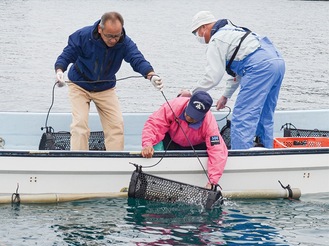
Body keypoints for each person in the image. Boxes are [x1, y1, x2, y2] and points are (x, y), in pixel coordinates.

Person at [54, 11, 163, 151]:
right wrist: (59, 71)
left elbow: (137, 59)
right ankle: (79, 162)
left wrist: (151, 75)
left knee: (116, 126)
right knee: (80, 125)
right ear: (100, 29)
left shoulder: (125, 42)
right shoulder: (82, 36)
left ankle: (115, 163)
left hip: (105, 87)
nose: (113, 40)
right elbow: (67, 54)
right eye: (109, 36)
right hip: (79, 85)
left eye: (117, 36)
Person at [180, 11, 285, 149]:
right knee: (266, 112)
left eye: (196, 33)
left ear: (203, 27)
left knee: (242, 116)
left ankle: (241, 156)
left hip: (259, 67)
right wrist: (225, 96)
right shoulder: (233, 31)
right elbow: (239, 70)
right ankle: (267, 149)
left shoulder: (216, 39)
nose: (197, 37)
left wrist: (192, 92)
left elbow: (213, 76)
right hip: (277, 62)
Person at [141, 91, 228, 189]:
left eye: (194, 117)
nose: (189, 117)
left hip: (196, 146)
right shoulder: (174, 105)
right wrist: (147, 144)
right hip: (171, 140)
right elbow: (154, 124)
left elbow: (217, 151)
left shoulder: (210, 124)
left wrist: (212, 182)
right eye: (189, 112)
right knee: (154, 142)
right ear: (188, 103)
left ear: (203, 115)